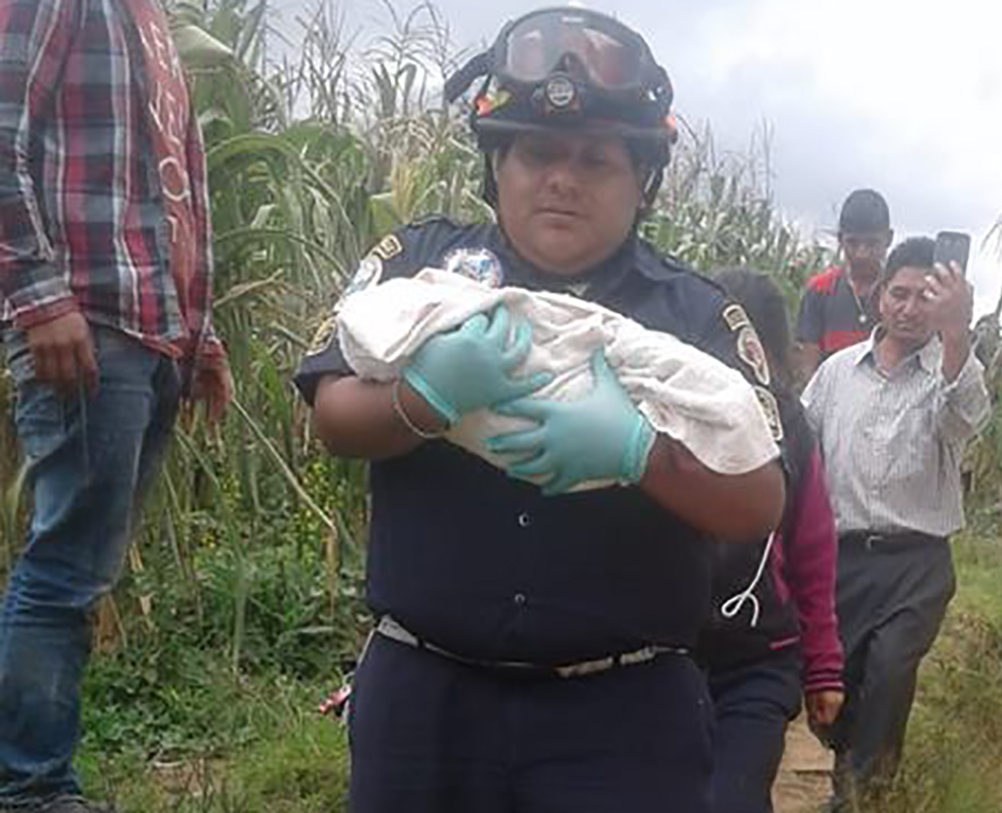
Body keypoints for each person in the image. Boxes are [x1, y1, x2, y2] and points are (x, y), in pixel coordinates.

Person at [293, 8, 786, 813]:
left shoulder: (697, 316)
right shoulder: (415, 266)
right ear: (497, 165)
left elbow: (761, 500)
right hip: (424, 699)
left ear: (643, 180)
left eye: (597, 158)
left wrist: (638, 454)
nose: (563, 176)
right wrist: (423, 399)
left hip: (624, 714)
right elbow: (331, 415)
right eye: (537, 151)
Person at [0, 0, 233, 810]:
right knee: (62, 572)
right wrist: (38, 296)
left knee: (81, 571)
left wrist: (202, 335)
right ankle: (32, 790)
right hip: (88, 318)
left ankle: (38, 779)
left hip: (151, 327)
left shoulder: (149, 21)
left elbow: (174, 185)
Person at [801, 236, 990, 810]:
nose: (910, 308)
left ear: (943, 307)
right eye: (899, 294)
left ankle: (863, 797)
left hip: (917, 564)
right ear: (880, 297)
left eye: (925, 298)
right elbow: (802, 449)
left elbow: (967, 418)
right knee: (846, 687)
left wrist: (957, 334)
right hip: (843, 560)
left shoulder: (950, 374)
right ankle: (851, 768)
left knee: (888, 671)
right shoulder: (836, 374)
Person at [698, 269, 844, 813]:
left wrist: (823, 667)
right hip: (664, 654)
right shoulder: (664, 411)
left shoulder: (790, 428)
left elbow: (813, 550)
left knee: (731, 798)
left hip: (758, 661)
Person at [796, 189, 894, 384]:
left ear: (888, 239)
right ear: (840, 240)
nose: (861, 253)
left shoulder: (900, 296)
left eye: (872, 243)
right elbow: (809, 369)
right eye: (853, 243)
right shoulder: (819, 290)